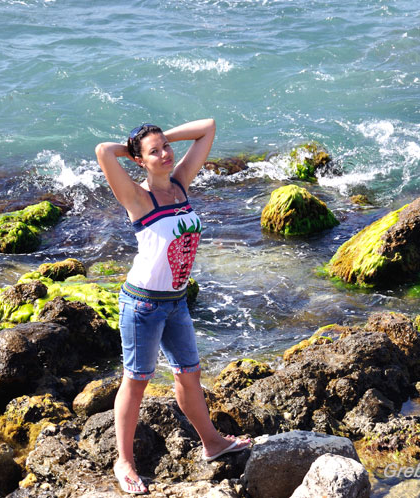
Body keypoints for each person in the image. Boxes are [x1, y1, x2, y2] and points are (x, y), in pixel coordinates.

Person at [95, 119, 250, 495]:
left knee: (189, 374)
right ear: (140, 161)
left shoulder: (180, 184)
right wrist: (133, 148)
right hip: (143, 305)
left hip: (176, 302)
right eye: (155, 151)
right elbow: (103, 151)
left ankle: (212, 443)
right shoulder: (136, 197)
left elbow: (208, 128)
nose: (165, 154)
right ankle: (124, 462)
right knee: (136, 381)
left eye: (166, 147)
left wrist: (160, 139)